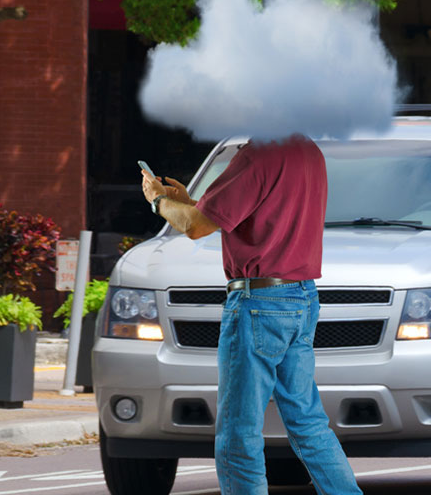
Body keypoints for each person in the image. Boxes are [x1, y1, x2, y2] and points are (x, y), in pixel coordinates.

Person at [141, 134, 361, 495]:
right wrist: (189, 203)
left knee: (238, 431)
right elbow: (248, 217)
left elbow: (195, 226)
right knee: (308, 423)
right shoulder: (308, 151)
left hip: (259, 302)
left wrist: (159, 201)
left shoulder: (257, 155)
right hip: (300, 296)